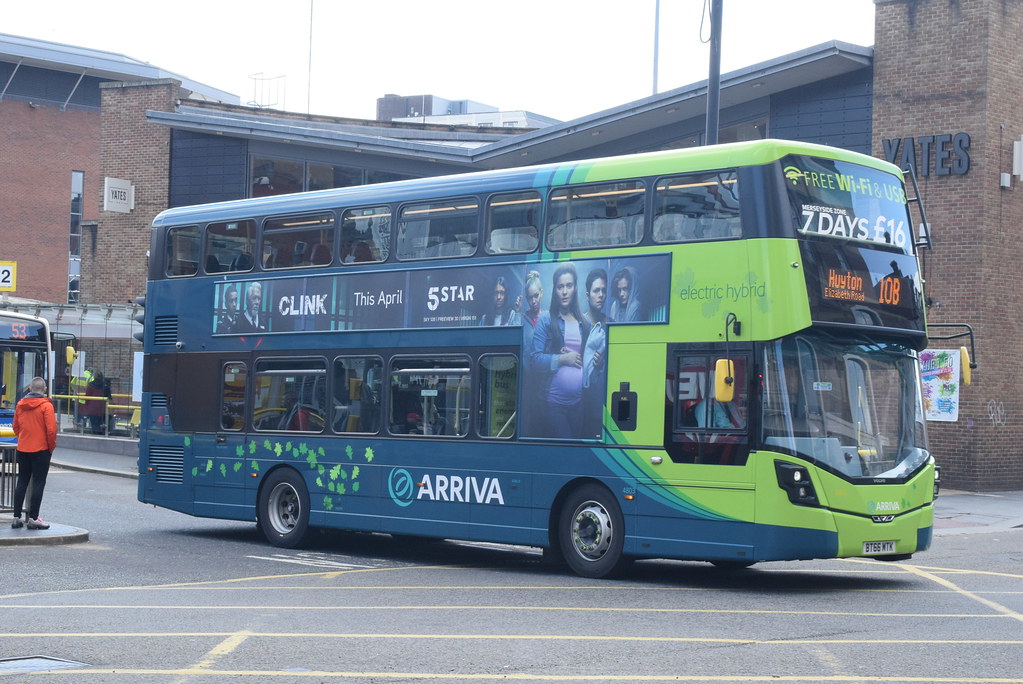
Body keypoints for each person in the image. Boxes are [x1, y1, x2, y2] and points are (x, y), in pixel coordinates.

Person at [529, 263, 591, 438]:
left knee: (574, 455)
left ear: (575, 288)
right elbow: (534, 360)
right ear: (555, 290)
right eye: (560, 287)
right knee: (566, 451)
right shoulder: (546, 319)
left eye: (569, 286)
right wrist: (563, 359)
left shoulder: (584, 322)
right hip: (553, 404)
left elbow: (588, 359)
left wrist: (596, 360)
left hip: (578, 403)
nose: (564, 292)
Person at [11, 377, 57, 530]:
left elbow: (15, 427)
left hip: (23, 448)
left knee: (22, 481)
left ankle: (16, 517)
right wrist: (50, 447)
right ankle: (33, 518)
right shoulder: (46, 406)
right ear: (44, 389)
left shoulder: (20, 405)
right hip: (41, 449)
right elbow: (51, 430)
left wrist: (23, 438)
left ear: (30, 389)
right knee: (39, 482)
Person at [582, 269, 608, 437]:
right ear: (587, 295)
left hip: (605, 406)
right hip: (581, 406)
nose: (601, 295)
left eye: (603, 291)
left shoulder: (611, 324)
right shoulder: (578, 325)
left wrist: (601, 366)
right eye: (596, 290)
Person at [81, 370, 110, 434]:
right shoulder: (106, 385)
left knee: (94, 425)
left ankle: (95, 434)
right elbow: (109, 397)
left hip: (92, 408)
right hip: (103, 408)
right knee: (102, 424)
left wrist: (87, 406)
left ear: (94, 376)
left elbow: (87, 397)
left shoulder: (90, 385)